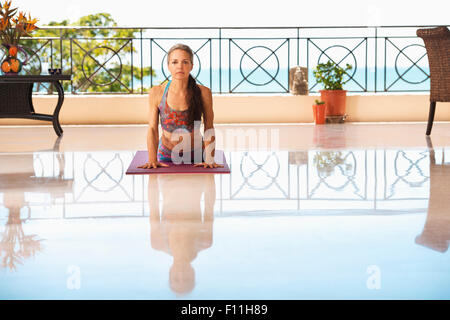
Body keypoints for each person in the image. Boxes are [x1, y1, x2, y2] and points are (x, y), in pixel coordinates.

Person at [138, 44, 223, 169]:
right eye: (174, 62)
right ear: (168, 66)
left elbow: (209, 126)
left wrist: (210, 159)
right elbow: (152, 128)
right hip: (165, 155)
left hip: (197, 156)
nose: (180, 66)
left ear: (191, 66)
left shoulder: (204, 93)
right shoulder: (157, 92)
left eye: (185, 62)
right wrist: (152, 159)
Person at [148, 174, 215, 295]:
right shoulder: (205, 242)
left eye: (176, 278)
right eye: (186, 279)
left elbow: (153, 209)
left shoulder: (158, 243)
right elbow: (209, 209)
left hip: (170, 178)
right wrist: (209, 174)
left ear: (170, 273)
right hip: (194, 178)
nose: (181, 274)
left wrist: (153, 175)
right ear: (192, 273)